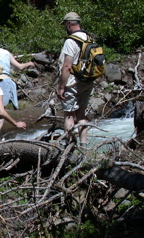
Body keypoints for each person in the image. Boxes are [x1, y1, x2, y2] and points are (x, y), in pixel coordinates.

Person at [56, 12, 93, 147]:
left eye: (65, 24)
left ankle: (70, 146)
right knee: (81, 115)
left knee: (69, 115)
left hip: (72, 82)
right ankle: (84, 147)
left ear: (69, 23)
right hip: (87, 81)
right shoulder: (89, 38)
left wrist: (61, 87)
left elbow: (67, 66)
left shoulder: (71, 41)